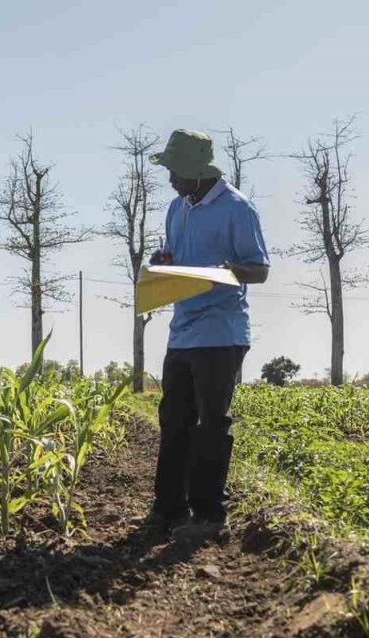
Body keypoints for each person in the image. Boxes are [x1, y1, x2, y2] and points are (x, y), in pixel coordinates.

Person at [141, 128, 270, 542]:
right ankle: (168, 510)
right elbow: (175, 257)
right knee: (173, 421)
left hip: (220, 331)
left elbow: (260, 270)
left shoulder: (237, 208)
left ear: (200, 172)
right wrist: (163, 261)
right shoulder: (177, 208)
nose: (172, 179)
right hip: (182, 331)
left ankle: (210, 516)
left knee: (210, 423)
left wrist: (225, 269)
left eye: (177, 171)